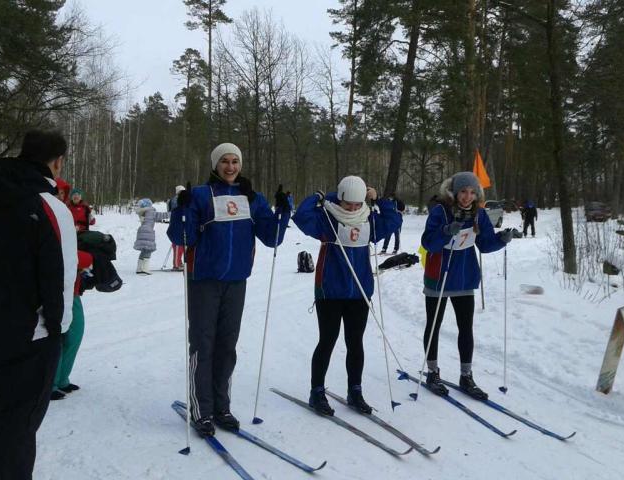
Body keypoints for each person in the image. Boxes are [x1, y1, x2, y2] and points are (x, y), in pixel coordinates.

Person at [0, 130, 78, 479]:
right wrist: (57, 331)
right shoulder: (50, 207)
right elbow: (61, 278)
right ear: (56, 162)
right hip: (27, 342)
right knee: (15, 431)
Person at [167, 143, 290, 436]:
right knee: (203, 343)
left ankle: (222, 407)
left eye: (235, 161)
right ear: (215, 164)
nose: (231, 167)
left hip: (236, 281)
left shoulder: (252, 198)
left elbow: (271, 237)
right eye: (225, 161)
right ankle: (203, 411)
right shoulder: (200, 195)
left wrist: (283, 211)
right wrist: (180, 209)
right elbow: (180, 236)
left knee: (226, 346)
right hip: (204, 280)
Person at [293, 176, 402, 416]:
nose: (352, 208)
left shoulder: (369, 218)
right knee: (327, 341)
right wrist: (324, 197)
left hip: (359, 292)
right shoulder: (328, 219)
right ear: (340, 199)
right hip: (330, 291)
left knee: (356, 343)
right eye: (347, 203)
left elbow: (394, 220)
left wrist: (380, 200)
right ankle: (317, 392)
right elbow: (301, 217)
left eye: (357, 203)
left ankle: (355, 391)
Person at [420, 172, 513, 400]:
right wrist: (444, 232)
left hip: (464, 277)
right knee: (434, 325)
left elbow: (485, 244)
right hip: (439, 277)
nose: (467, 197)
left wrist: (501, 239)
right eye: (463, 192)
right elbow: (428, 243)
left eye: (472, 192)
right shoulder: (440, 211)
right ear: (454, 192)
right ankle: (432, 372)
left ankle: (466, 375)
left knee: (466, 328)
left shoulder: (479, 214)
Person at [51, 178, 94, 401]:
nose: (61, 195)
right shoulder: (47, 216)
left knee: (74, 332)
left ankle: (61, 379)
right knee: (56, 335)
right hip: (54, 288)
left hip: (73, 287)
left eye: (63, 193)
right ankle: (50, 383)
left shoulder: (65, 214)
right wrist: (87, 259)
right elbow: (59, 253)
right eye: (57, 192)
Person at [133, 198, 168, 275]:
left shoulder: (143, 212)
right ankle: (145, 269)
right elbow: (162, 215)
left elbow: (152, 219)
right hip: (148, 231)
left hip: (141, 230)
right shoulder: (151, 211)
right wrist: (173, 213)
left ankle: (139, 268)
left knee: (144, 250)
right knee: (148, 250)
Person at [169, 185, 186, 270]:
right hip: (177, 225)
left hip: (180, 224)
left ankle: (178, 262)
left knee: (181, 245)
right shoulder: (176, 200)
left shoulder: (180, 199)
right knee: (178, 245)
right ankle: (176, 264)